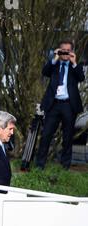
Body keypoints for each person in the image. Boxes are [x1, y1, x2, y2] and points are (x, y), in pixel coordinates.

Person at [35, 39, 85, 170]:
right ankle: (40, 165)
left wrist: (74, 62)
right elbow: (44, 72)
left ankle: (65, 166)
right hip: (54, 104)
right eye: (63, 50)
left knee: (67, 137)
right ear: (58, 50)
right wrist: (55, 58)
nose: (65, 53)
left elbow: (81, 78)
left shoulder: (75, 66)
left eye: (68, 51)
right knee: (46, 134)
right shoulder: (54, 65)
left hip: (69, 105)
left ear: (72, 52)